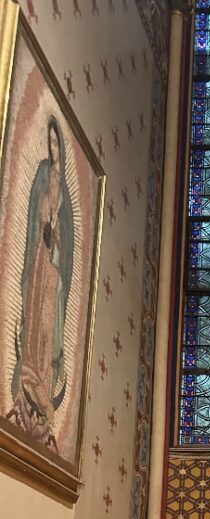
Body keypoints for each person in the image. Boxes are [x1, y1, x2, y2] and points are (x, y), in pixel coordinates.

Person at [7, 116, 74, 453]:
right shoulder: (43, 174)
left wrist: (56, 243)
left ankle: (42, 383)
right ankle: (30, 377)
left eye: (55, 143)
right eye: (49, 143)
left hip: (54, 270)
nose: (52, 148)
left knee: (48, 327)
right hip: (39, 264)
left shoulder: (66, 196)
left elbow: (67, 242)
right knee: (34, 323)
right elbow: (37, 217)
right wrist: (43, 232)